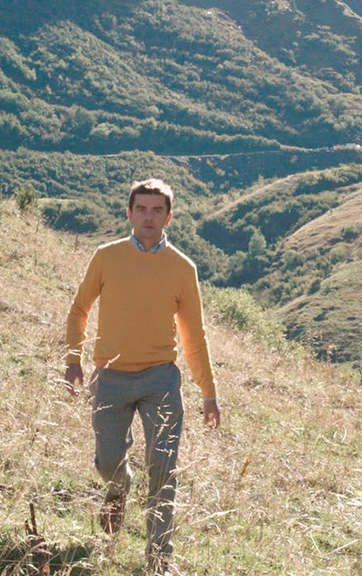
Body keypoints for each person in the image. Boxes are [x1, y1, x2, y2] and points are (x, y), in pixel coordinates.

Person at [64, 178, 220, 575]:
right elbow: (80, 308)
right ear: (129, 213)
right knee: (108, 464)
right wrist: (73, 359)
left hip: (160, 380)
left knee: (164, 467)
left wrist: (208, 391)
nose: (148, 217)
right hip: (110, 377)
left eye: (156, 210)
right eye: (141, 209)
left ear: (168, 217)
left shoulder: (183, 268)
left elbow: (194, 334)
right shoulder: (106, 256)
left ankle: (158, 560)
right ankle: (117, 490)